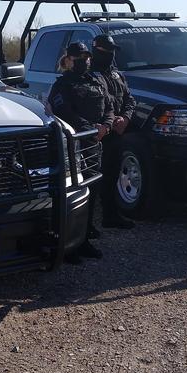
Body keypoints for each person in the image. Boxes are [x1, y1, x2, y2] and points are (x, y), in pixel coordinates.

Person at [48, 42, 113, 262]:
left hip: (94, 142)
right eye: (79, 58)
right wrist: (90, 128)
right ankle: (68, 246)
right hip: (73, 145)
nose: (84, 61)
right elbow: (64, 112)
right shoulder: (62, 85)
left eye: (86, 57)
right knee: (74, 192)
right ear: (68, 60)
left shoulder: (95, 81)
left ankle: (83, 238)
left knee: (92, 189)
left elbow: (109, 107)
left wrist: (106, 126)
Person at [90, 34, 137, 228]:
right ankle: (86, 224)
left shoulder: (117, 75)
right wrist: (108, 121)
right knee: (93, 179)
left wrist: (125, 118)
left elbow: (129, 99)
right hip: (96, 134)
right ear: (96, 51)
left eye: (112, 51)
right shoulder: (88, 75)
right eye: (106, 51)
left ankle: (110, 216)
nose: (110, 55)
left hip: (117, 132)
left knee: (112, 175)